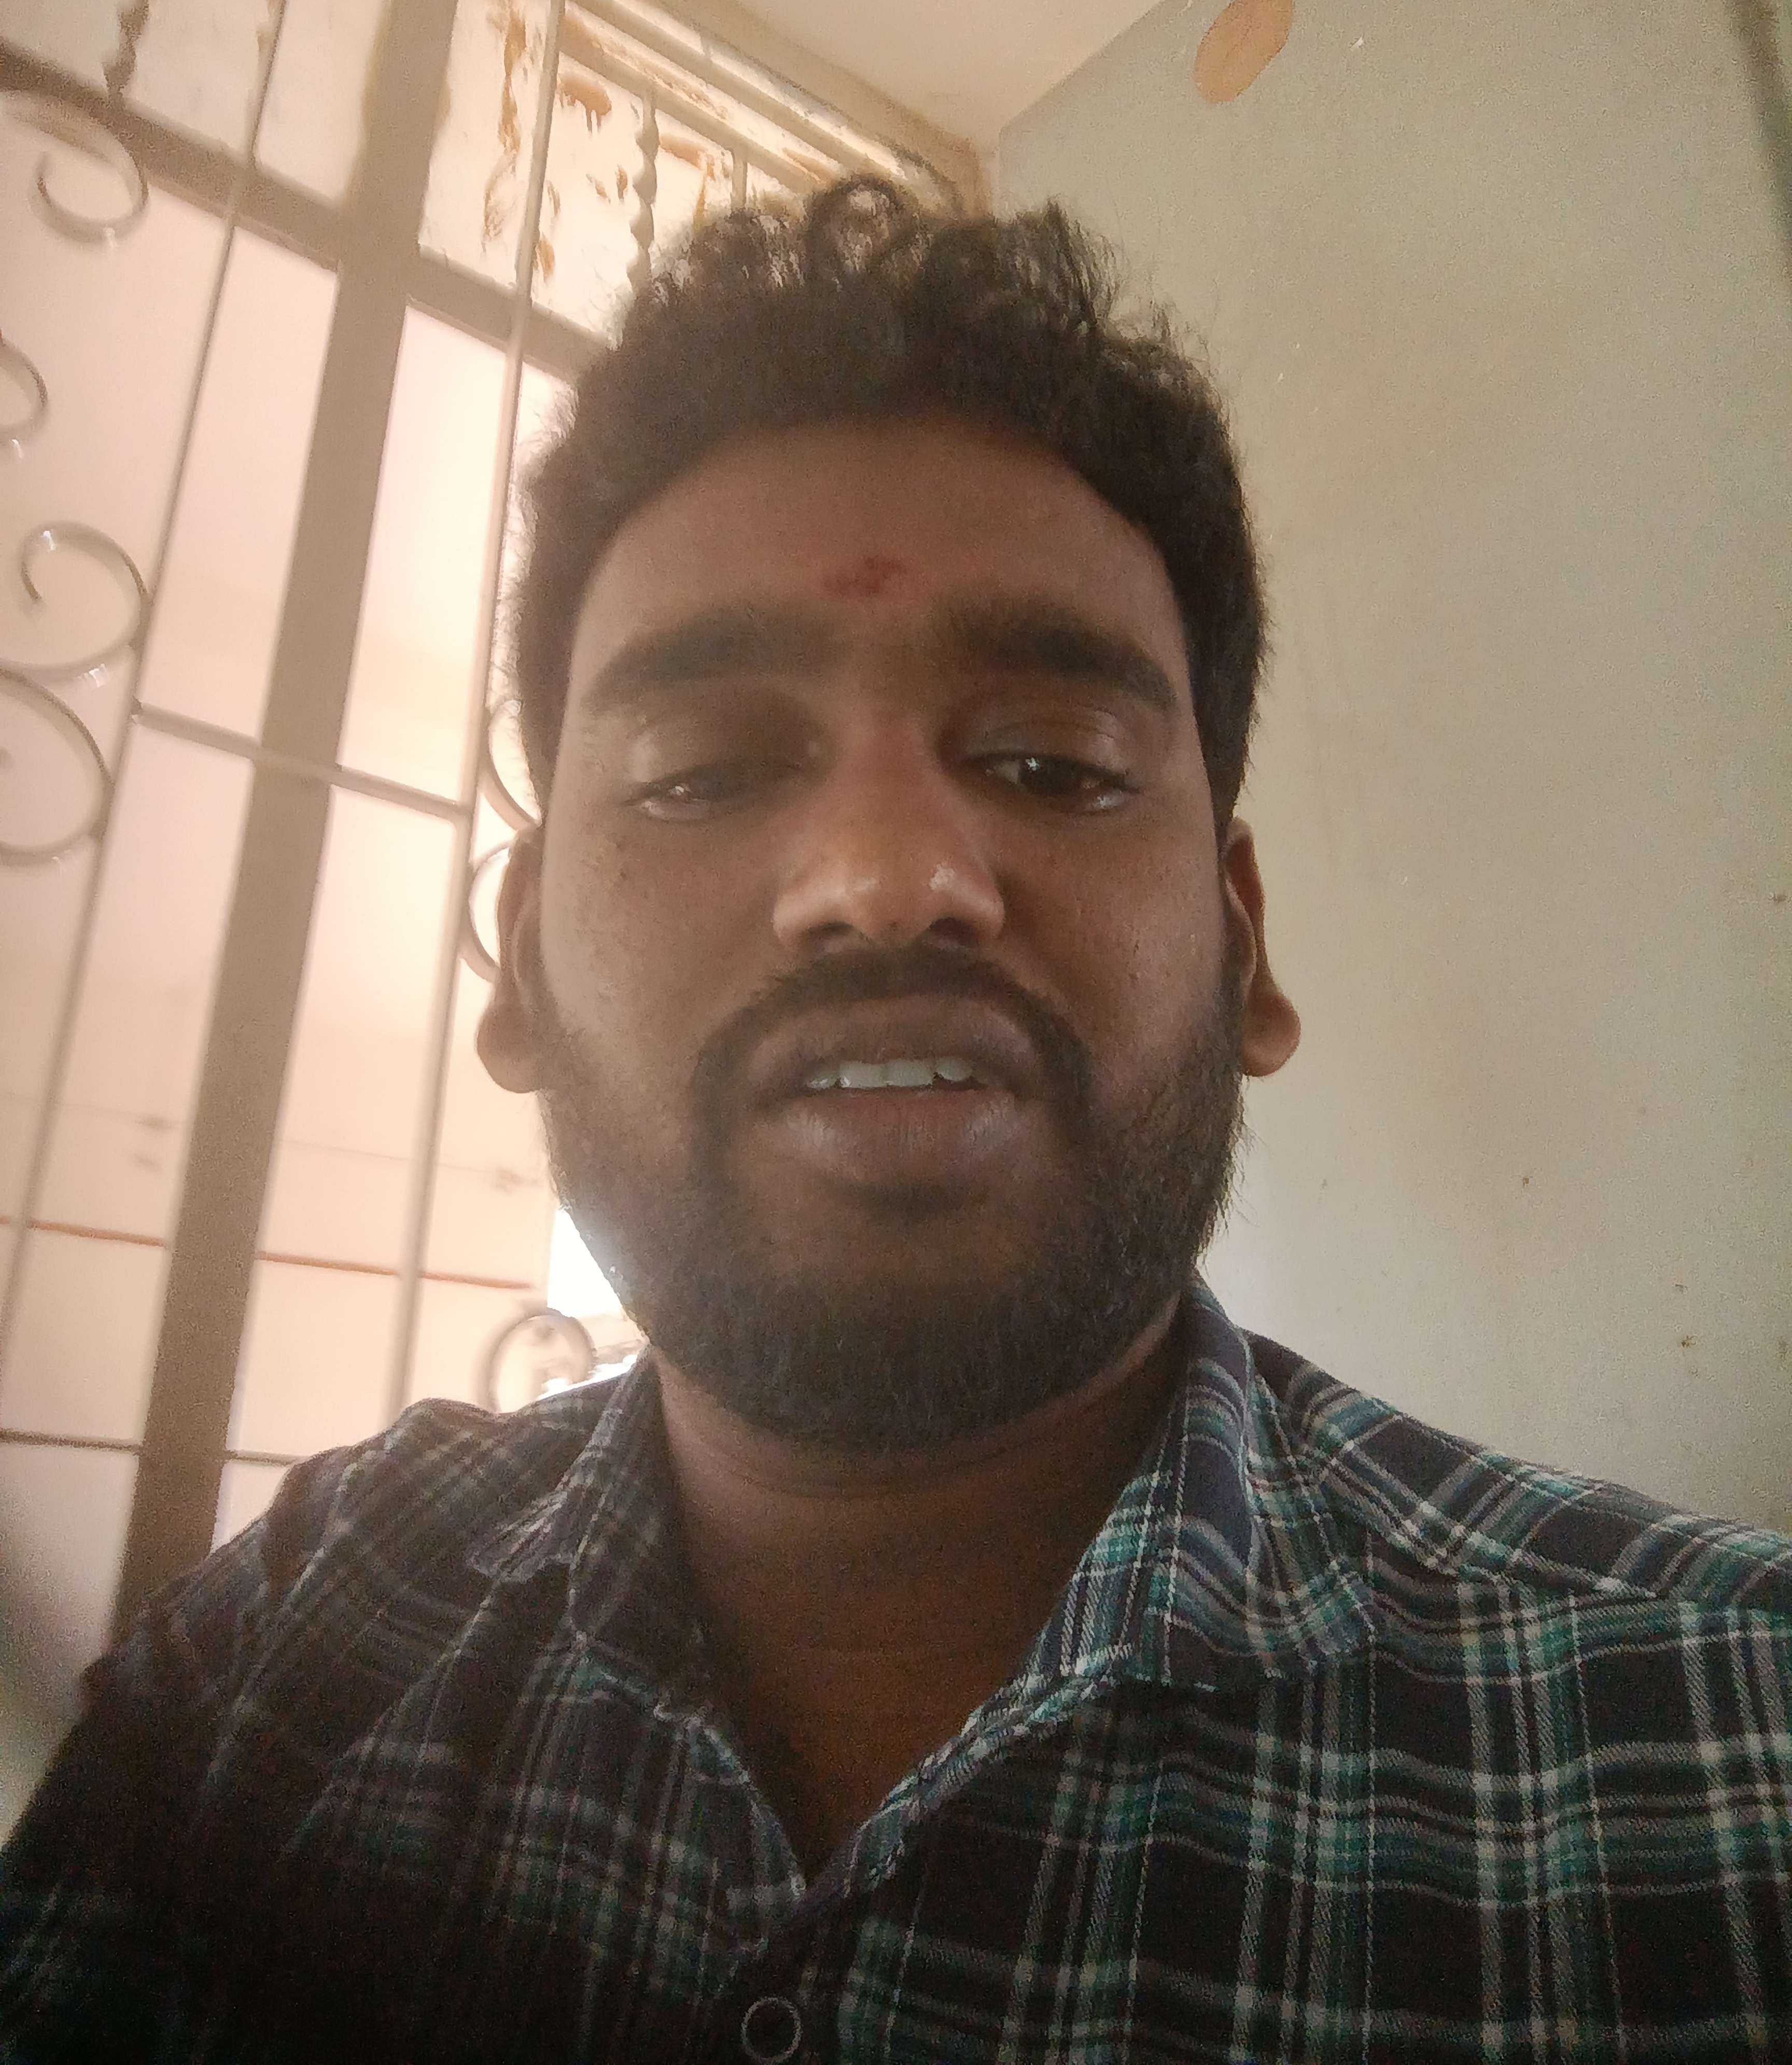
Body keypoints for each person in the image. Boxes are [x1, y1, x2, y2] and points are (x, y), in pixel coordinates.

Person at [2, 182, 1787, 2062]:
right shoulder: (295, 1641)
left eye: (1053, 765)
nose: (885, 879)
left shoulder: (1719, 1752)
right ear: (518, 965)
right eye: (703, 772)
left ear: (1243, 946)